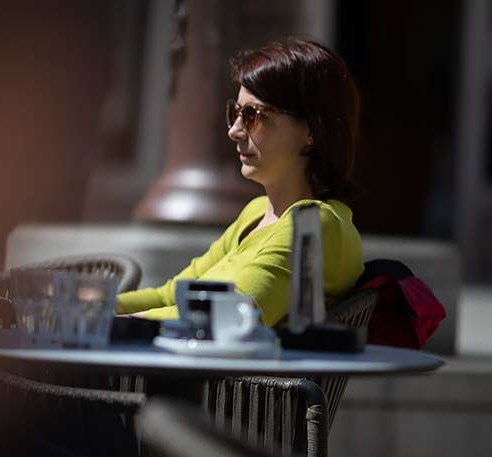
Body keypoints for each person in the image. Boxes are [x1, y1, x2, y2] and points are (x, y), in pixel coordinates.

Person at [117, 38, 364, 326]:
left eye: (252, 115)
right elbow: (169, 295)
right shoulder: (256, 212)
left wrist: (115, 321)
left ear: (310, 131)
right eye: (235, 113)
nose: (234, 131)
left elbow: (231, 315)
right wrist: (94, 303)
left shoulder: (315, 225)